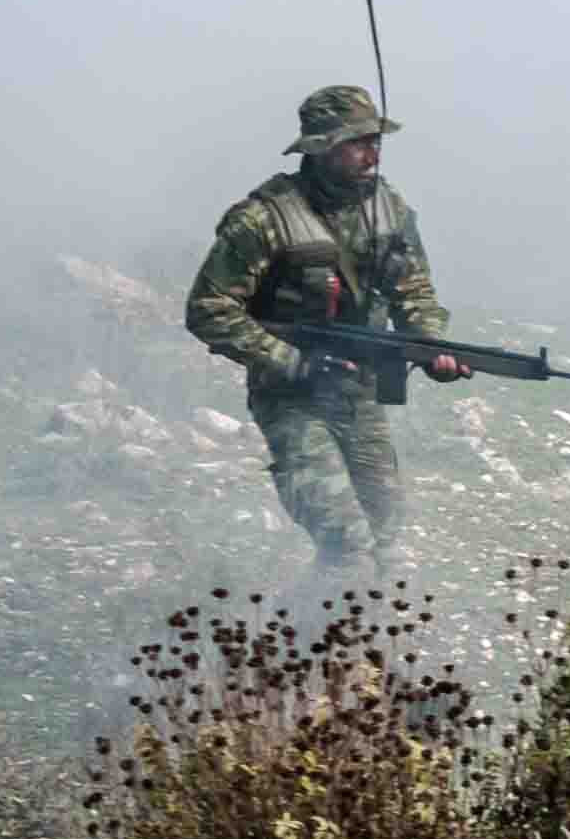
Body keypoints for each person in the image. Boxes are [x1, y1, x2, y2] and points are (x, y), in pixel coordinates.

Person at [184, 84, 466, 567]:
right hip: (291, 398)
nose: (371, 154)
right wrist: (292, 362)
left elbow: (414, 292)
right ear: (321, 148)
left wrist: (430, 345)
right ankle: (305, 640)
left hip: (357, 392)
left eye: (375, 141)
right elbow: (208, 308)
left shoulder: (388, 210)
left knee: (388, 540)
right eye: (357, 142)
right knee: (346, 543)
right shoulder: (264, 219)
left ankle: (355, 636)